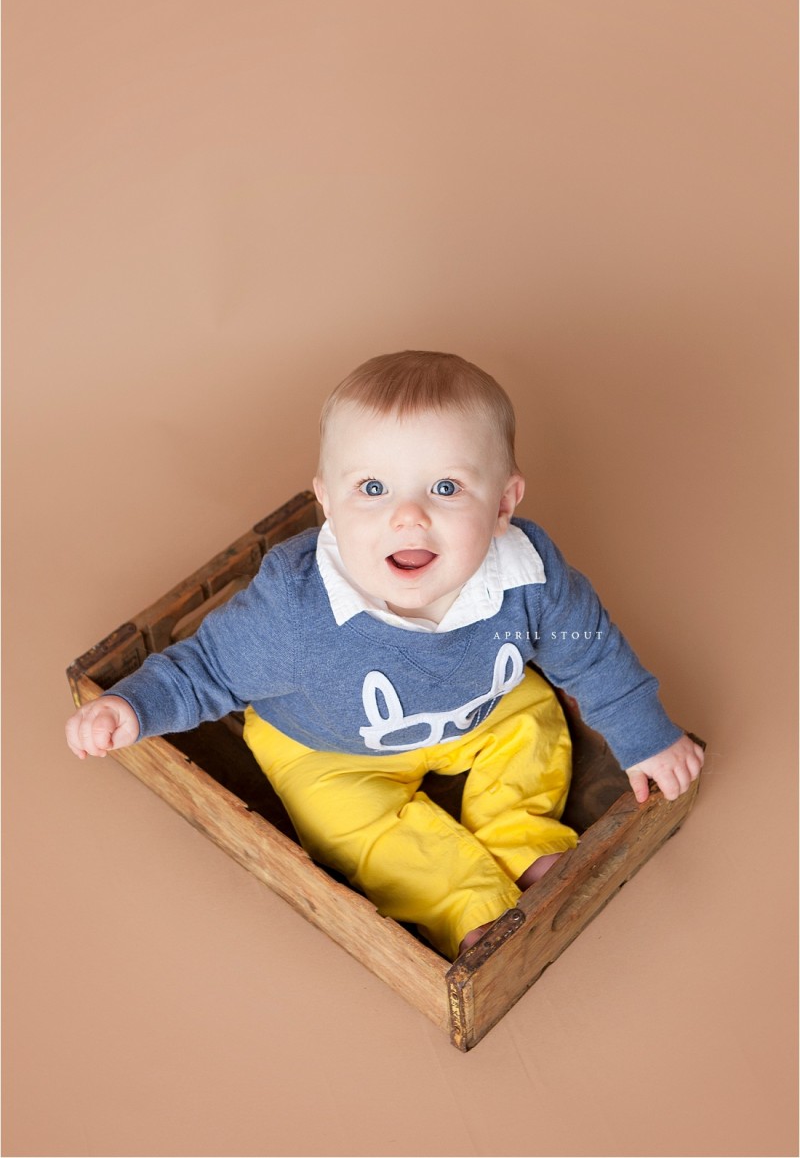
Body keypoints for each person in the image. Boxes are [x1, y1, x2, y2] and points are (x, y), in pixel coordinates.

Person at [65, 351, 704, 960]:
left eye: (446, 486)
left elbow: (588, 651)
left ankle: (523, 839)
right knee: (358, 830)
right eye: (372, 487)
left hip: (482, 709)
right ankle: (472, 902)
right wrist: (135, 705)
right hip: (326, 745)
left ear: (505, 503)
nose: (408, 516)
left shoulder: (527, 575)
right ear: (327, 503)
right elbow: (206, 669)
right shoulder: (299, 607)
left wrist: (645, 735)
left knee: (534, 723)